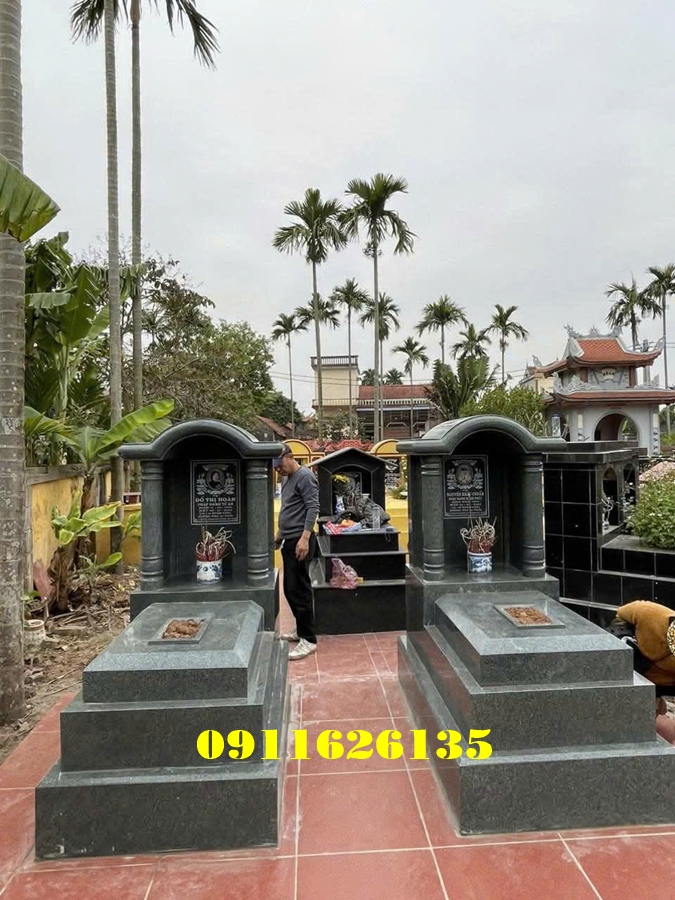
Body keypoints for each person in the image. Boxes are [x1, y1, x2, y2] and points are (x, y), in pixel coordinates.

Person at [273, 444, 320, 660]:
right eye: (275, 466)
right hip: (289, 539)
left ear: (290, 456)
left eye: (279, 464)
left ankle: (309, 639)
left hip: (300, 542)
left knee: (298, 590)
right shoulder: (286, 479)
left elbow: (312, 507)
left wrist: (304, 538)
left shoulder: (305, 476)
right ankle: (301, 630)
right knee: (290, 589)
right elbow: (289, 509)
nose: (278, 469)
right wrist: (280, 534)